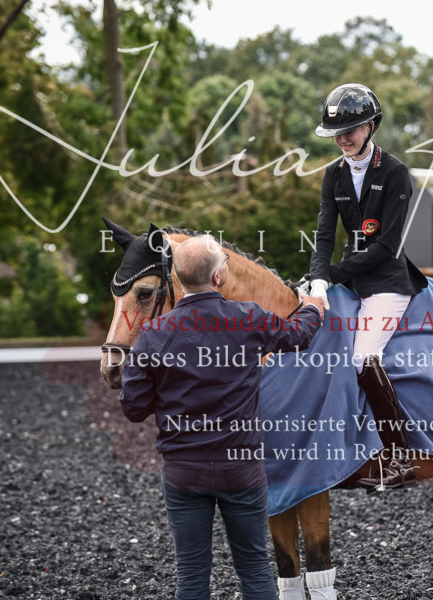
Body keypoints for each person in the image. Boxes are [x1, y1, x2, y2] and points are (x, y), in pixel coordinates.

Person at [120, 236, 324, 600]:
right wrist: (311, 307)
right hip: (241, 468)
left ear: (178, 278)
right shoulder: (248, 317)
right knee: (255, 568)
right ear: (218, 277)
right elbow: (298, 336)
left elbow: (134, 408)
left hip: (183, 471)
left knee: (191, 574)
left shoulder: (152, 336)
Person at [308, 83, 428, 491]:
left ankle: (400, 457)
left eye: (350, 130)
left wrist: (333, 275)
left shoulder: (394, 173)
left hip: (387, 282)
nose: (342, 139)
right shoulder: (333, 174)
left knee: (362, 357)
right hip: (349, 279)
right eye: (336, 133)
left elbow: (387, 246)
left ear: (371, 126)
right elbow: (325, 234)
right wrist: (317, 278)